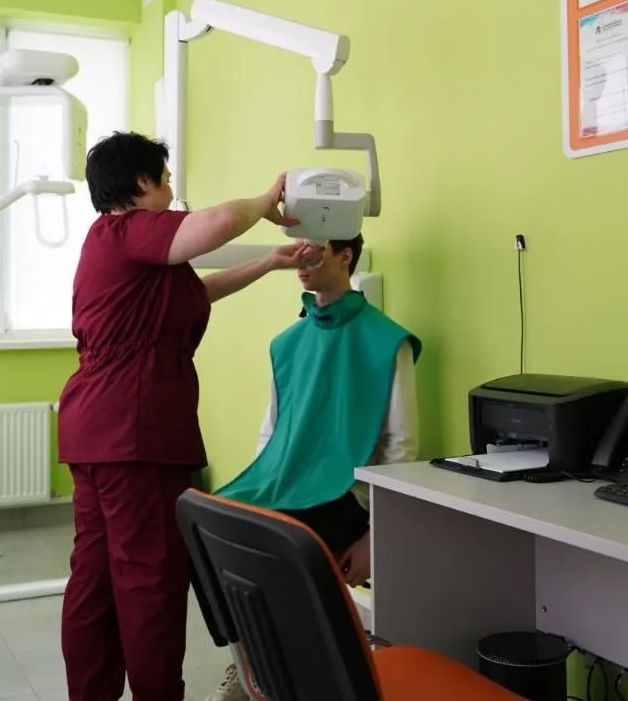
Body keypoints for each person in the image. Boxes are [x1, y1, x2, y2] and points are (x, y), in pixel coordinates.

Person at [57, 131, 323, 701]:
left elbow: (195, 293)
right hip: (135, 431)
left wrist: (268, 263)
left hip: (95, 428)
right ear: (141, 182)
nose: (172, 189)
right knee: (148, 578)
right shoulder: (132, 229)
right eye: (166, 178)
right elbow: (220, 221)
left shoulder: (114, 247)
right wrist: (266, 201)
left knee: (95, 577)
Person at [205, 233, 421, 701]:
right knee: (212, 522)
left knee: (273, 547)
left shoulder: (388, 342)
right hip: (286, 484)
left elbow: (401, 449)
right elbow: (271, 435)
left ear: (346, 255)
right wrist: (256, 493)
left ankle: (277, 672)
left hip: (347, 493)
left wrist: (375, 536)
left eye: (315, 251)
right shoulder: (287, 344)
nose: (300, 261)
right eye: (298, 250)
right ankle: (251, 666)